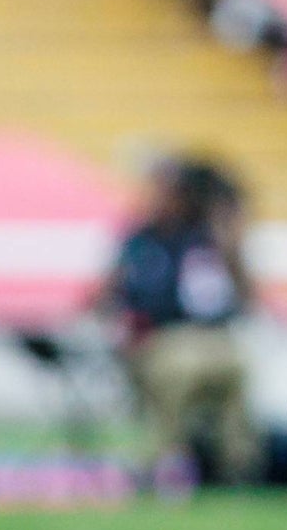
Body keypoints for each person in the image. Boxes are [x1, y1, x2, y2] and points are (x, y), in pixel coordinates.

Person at [107, 156, 260, 485]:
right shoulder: (139, 241)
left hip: (211, 338)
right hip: (161, 340)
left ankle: (237, 468)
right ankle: (164, 460)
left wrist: (230, 243)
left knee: (234, 368)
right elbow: (111, 296)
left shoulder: (204, 239)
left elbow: (243, 296)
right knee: (182, 366)